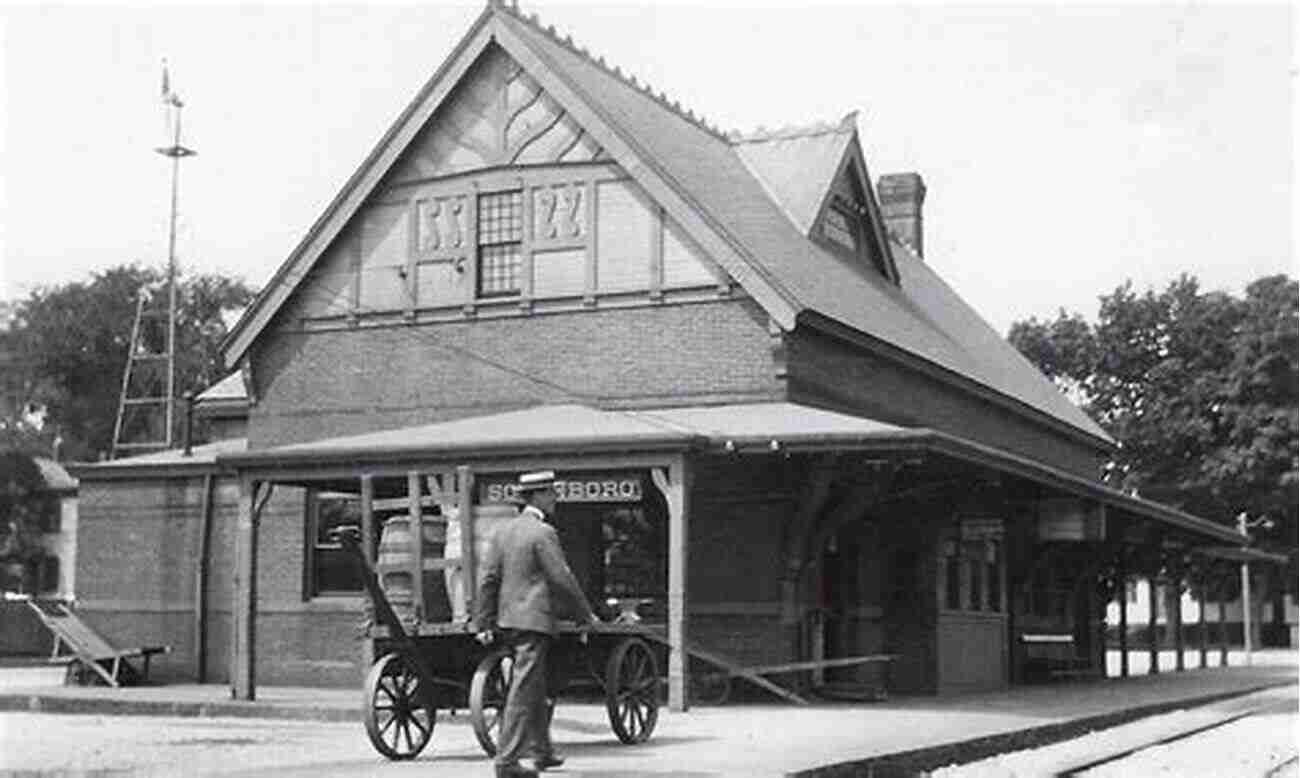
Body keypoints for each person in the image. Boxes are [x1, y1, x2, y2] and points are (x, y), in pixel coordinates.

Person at [476, 470, 598, 778]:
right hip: (534, 621)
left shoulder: (503, 532)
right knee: (523, 688)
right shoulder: (543, 533)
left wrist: (484, 621)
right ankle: (507, 762)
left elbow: (488, 579)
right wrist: (586, 615)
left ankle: (542, 753)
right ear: (539, 496)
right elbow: (562, 578)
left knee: (535, 686)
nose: (555, 497)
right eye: (551, 492)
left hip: (508, 620)